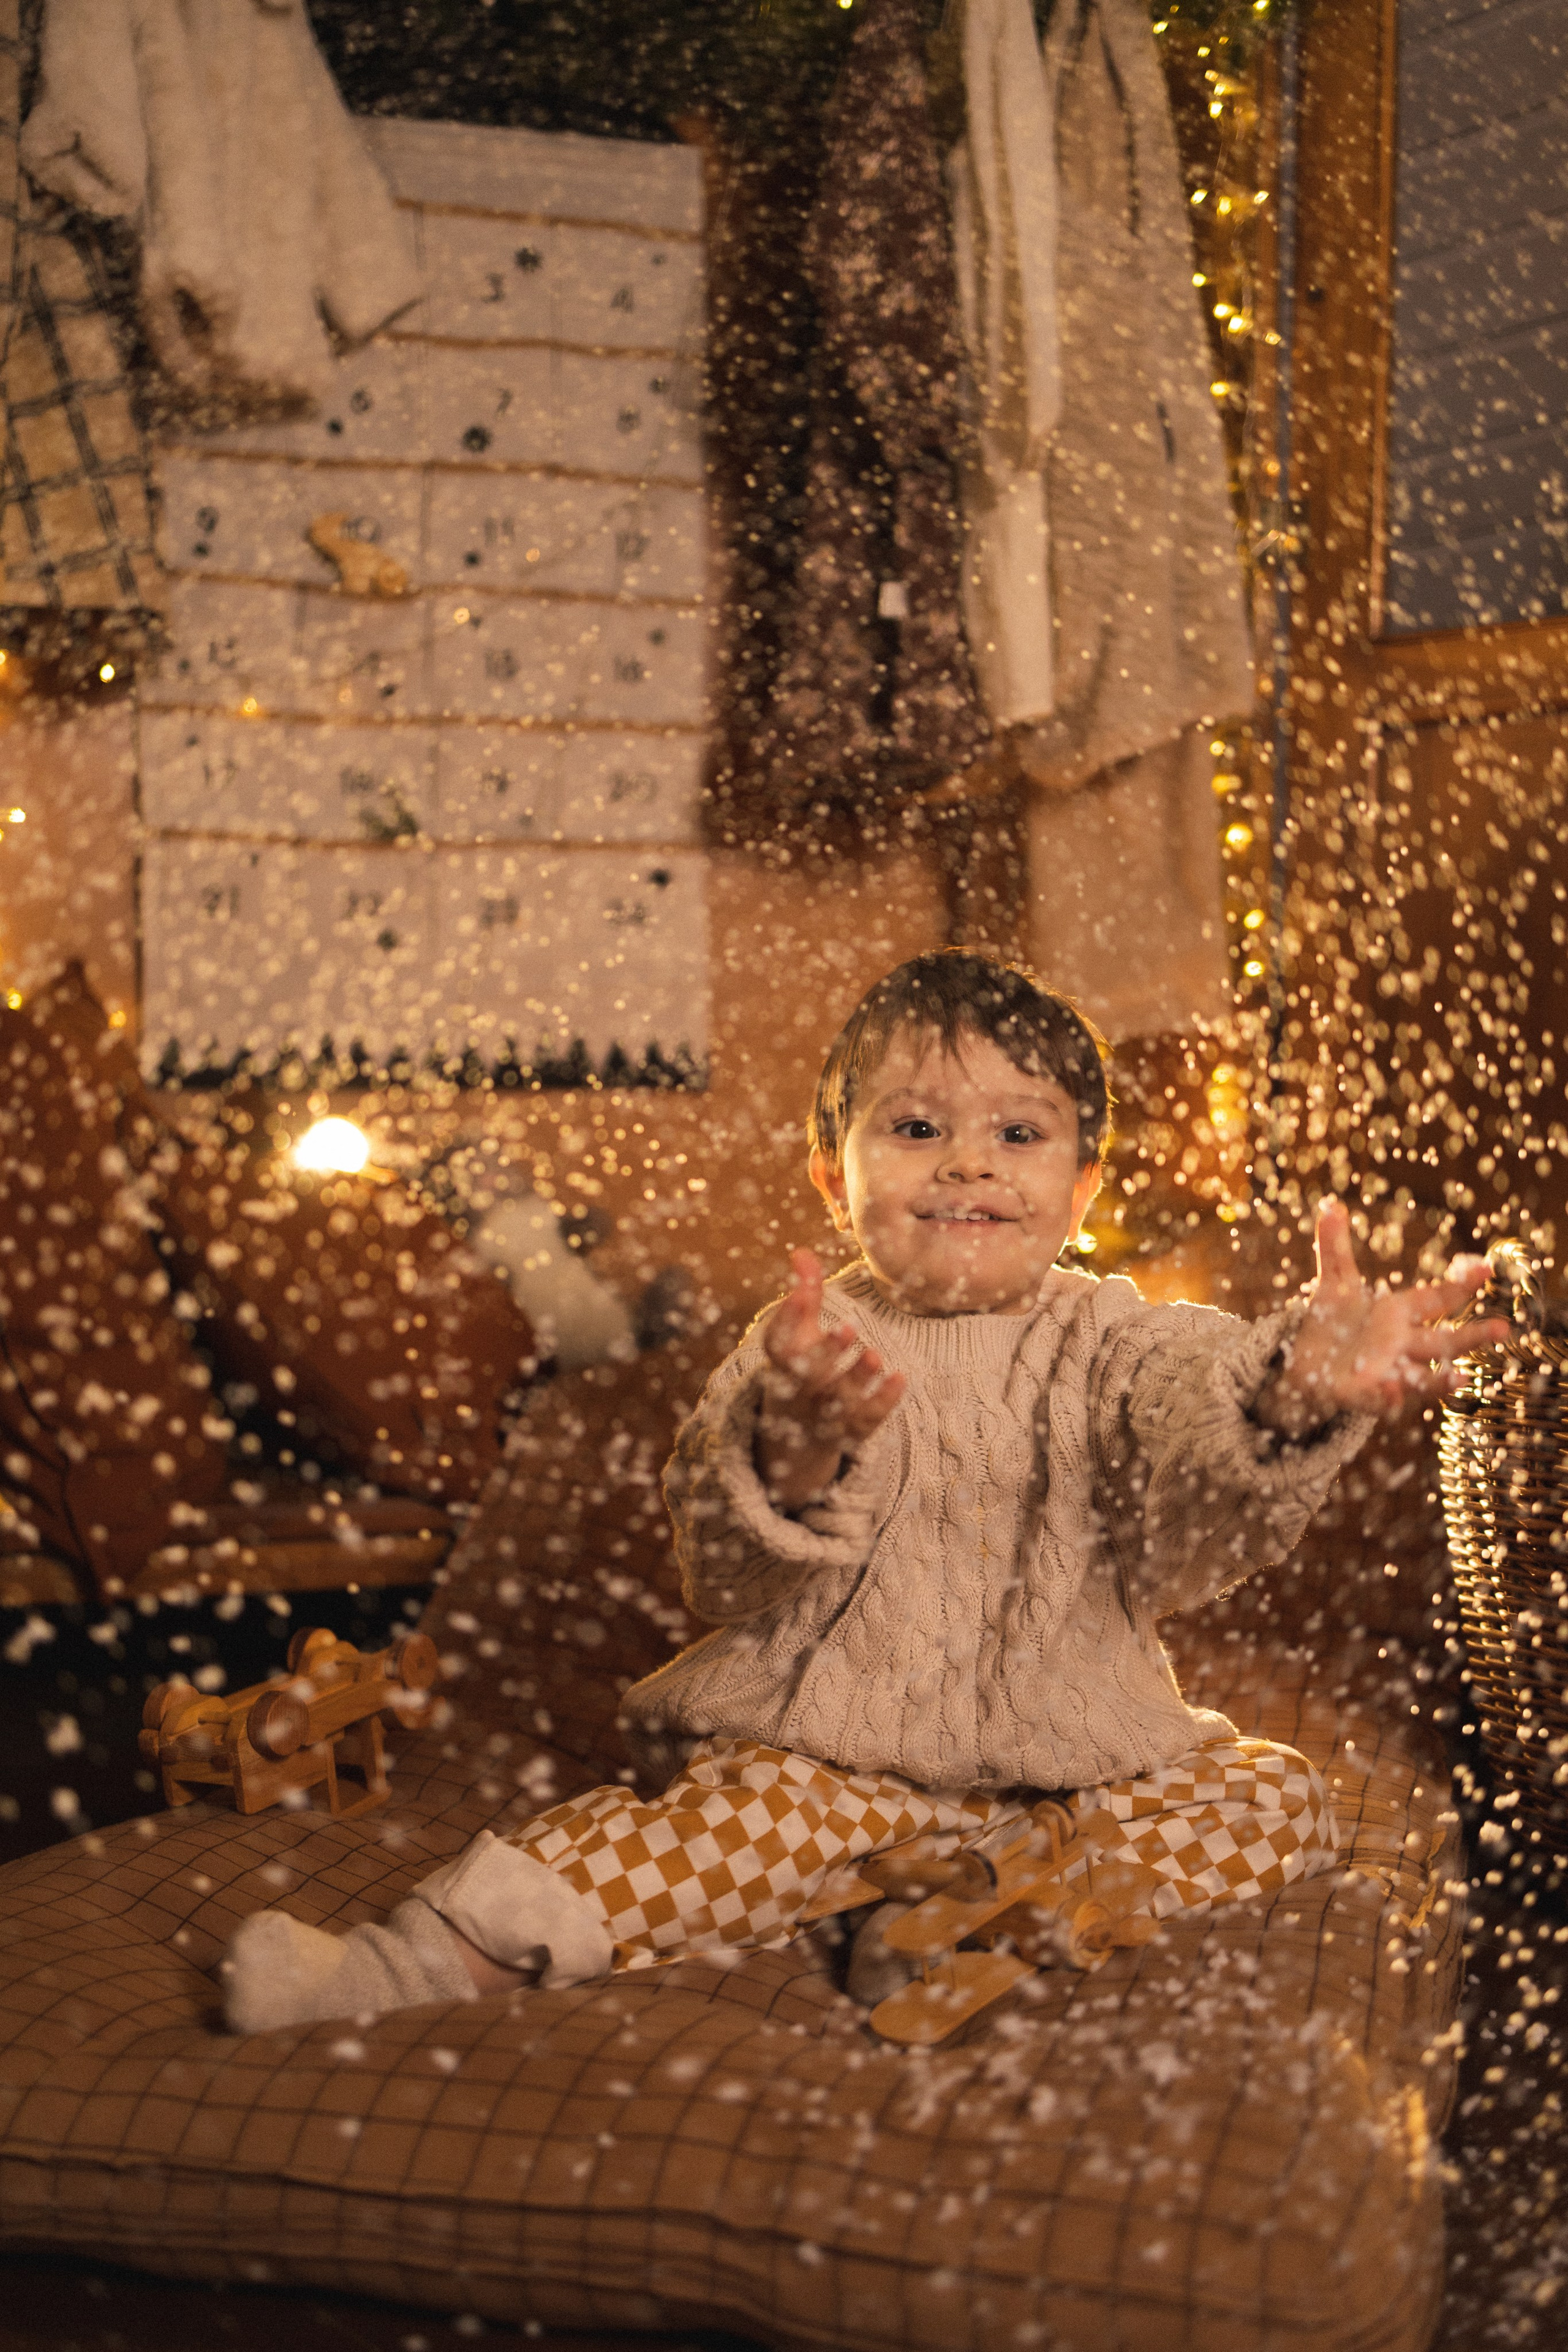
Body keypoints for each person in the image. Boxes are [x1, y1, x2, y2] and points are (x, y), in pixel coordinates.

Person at [221, 950, 1504, 2032]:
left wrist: (1290, 1388)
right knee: (655, 1846)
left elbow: (1201, 1437)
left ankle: (992, 1898)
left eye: (1017, 1133)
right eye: (913, 1129)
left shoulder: (1117, 1337)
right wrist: (794, 1448)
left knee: (1272, 1795)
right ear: (833, 1179)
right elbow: (720, 1570)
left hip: (1073, 1773)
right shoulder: (805, 1343)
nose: (965, 1166)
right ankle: (394, 1970)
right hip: (829, 1762)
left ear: (1081, 1189)